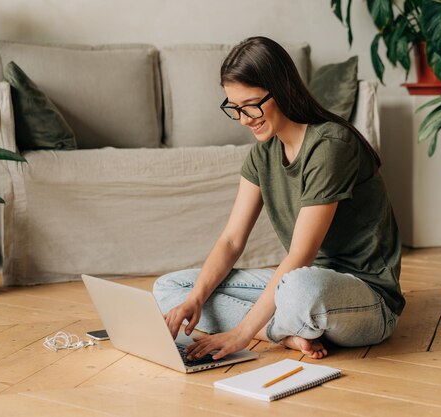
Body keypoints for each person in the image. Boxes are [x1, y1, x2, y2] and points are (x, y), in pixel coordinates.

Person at [153, 36, 404, 360]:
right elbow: (231, 240)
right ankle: (285, 335)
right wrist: (197, 298)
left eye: (252, 105)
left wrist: (240, 336)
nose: (244, 119)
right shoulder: (262, 155)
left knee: (299, 289)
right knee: (171, 290)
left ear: (282, 87)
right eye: (235, 108)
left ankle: (266, 326)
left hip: (365, 299)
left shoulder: (330, 145)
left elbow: (301, 255)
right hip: (298, 283)